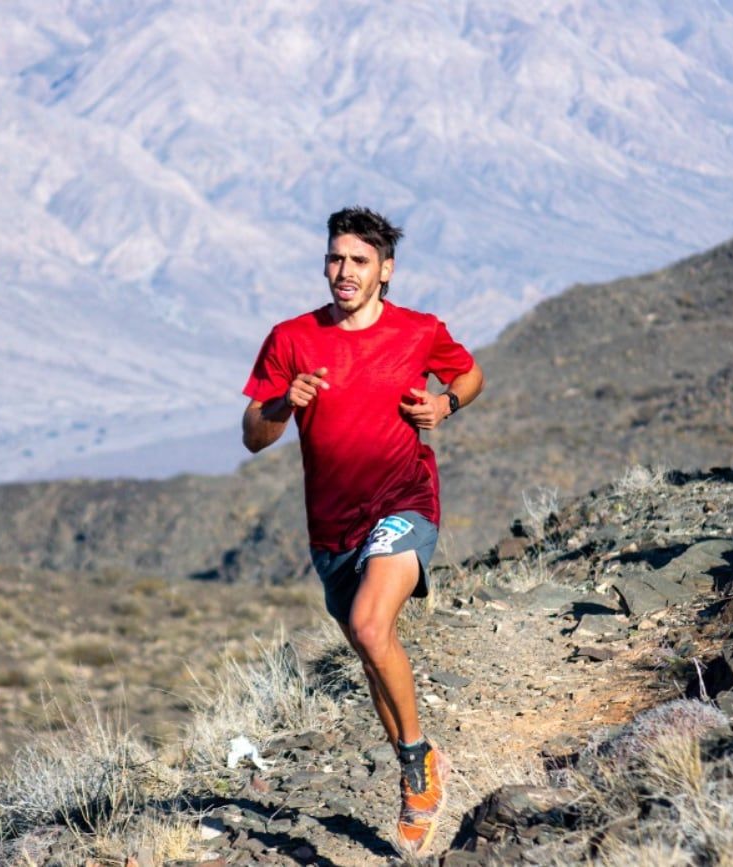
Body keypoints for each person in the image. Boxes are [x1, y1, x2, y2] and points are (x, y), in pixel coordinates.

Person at [241, 206, 484, 855]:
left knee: (372, 627)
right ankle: (419, 756)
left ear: (385, 270)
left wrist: (445, 403)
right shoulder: (291, 338)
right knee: (371, 649)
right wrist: (283, 403)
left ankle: (418, 772)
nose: (344, 271)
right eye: (335, 258)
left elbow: (469, 373)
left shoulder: (419, 330)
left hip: (404, 501)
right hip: (332, 528)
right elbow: (254, 435)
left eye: (359, 260)